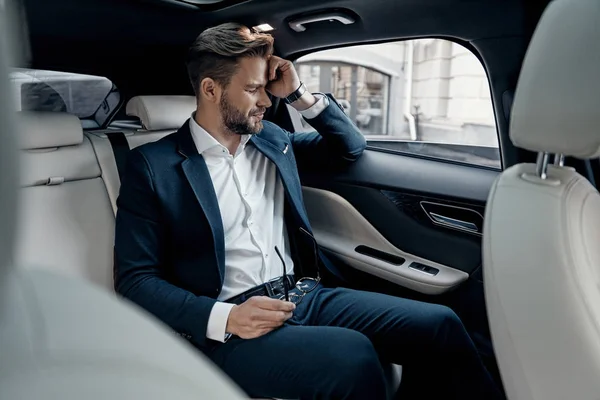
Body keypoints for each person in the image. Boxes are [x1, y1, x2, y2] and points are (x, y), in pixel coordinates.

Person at [114, 22, 503, 400]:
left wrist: (299, 93)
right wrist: (226, 318)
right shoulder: (153, 166)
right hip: (231, 325)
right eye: (253, 90)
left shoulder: (271, 138)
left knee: (439, 324)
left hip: (303, 294)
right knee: (352, 357)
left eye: (266, 88)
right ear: (211, 89)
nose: (267, 101)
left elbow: (350, 148)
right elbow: (136, 281)